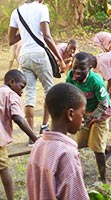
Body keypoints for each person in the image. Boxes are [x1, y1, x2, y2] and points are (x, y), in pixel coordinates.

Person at [8, 0, 66, 143]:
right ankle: (45, 126)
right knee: (50, 91)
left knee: (29, 95)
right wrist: (59, 58)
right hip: (39, 54)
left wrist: (25, 31)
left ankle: (31, 138)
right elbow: (46, 36)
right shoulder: (42, 8)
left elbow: (11, 40)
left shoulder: (17, 12)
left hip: (23, 56)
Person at [26, 83, 89, 199]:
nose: (83, 119)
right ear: (70, 114)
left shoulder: (38, 144)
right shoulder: (67, 154)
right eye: (82, 113)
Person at [66, 52, 111, 183]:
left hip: (101, 114)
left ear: (90, 68)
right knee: (81, 143)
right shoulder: (70, 77)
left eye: (82, 68)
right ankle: (108, 148)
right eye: (75, 67)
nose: (77, 71)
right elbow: (69, 95)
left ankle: (103, 179)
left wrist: (91, 118)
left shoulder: (95, 81)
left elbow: (104, 104)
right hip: (86, 113)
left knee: (97, 149)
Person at [0, 70, 38, 200]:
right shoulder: (11, 94)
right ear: (11, 82)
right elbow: (19, 118)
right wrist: (35, 139)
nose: (22, 92)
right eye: (21, 87)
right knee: (4, 169)